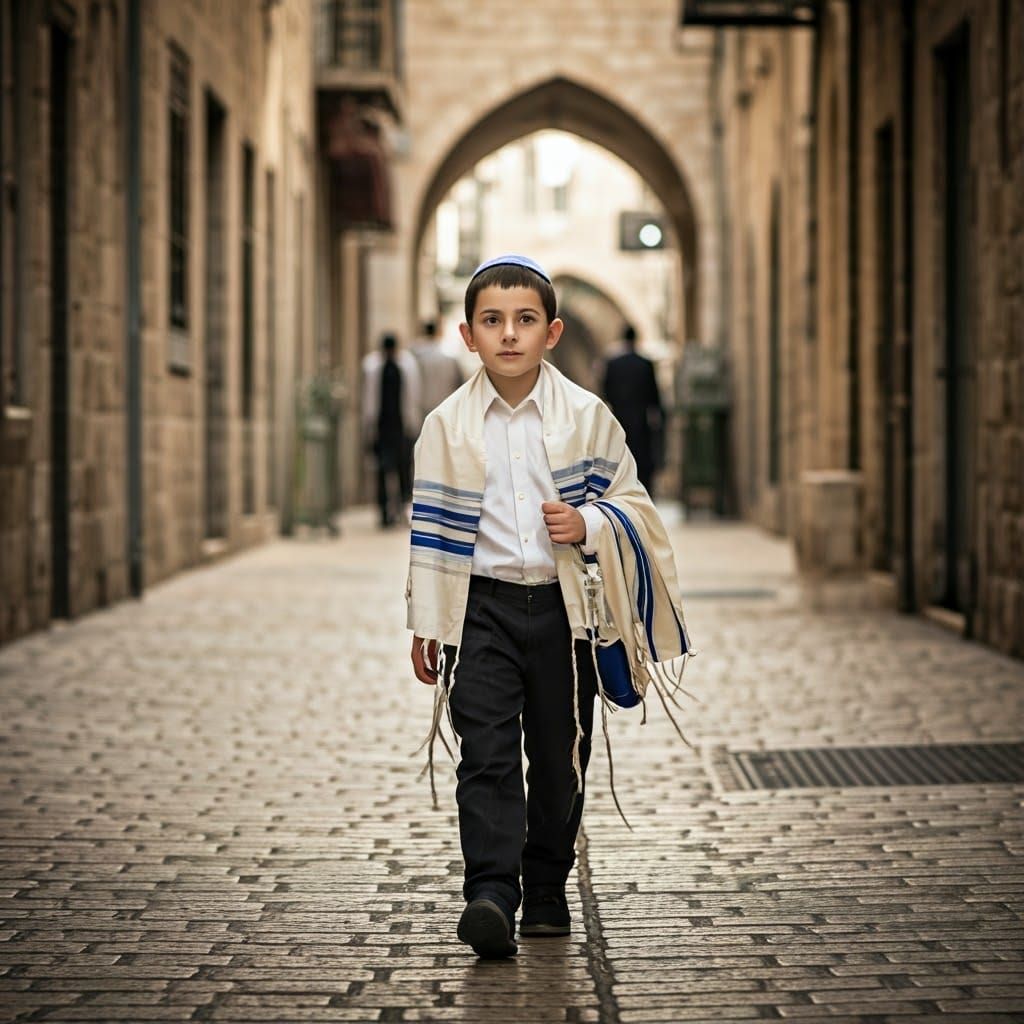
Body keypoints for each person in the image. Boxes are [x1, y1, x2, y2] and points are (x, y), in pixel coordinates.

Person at [405, 255, 695, 959]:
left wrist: (589, 525)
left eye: (525, 320)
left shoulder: (586, 419)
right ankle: (492, 892)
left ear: (553, 331)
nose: (510, 334)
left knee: (560, 756)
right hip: (482, 610)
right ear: (469, 335)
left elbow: (634, 506)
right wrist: (426, 622)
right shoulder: (446, 426)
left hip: (567, 614)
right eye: (492, 321)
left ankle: (544, 890)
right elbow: (431, 530)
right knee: (487, 753)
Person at [361, 333, 421, 527]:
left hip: (401, 426)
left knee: (404, 469)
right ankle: (385, 512)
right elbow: (369, 398)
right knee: (382, 470)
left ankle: (403, 507)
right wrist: (369, 426)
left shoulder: (407, 365)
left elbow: (413, 395)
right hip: (382, 427)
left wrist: (413, 424)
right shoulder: (372, 366)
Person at [601, 325, 665, 496]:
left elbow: (605, 391)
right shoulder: (645, 364)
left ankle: (622, 493)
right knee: (641, 458)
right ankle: (643, 494)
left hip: (619, 418)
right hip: (641, 420)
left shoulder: (613, 364)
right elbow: (654, 394)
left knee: (621, 455)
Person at [409, 319, 465, 421]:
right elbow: (459, 382)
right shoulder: (449, 354)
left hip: (423, 405)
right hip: (445, 403)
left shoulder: (415, 354)